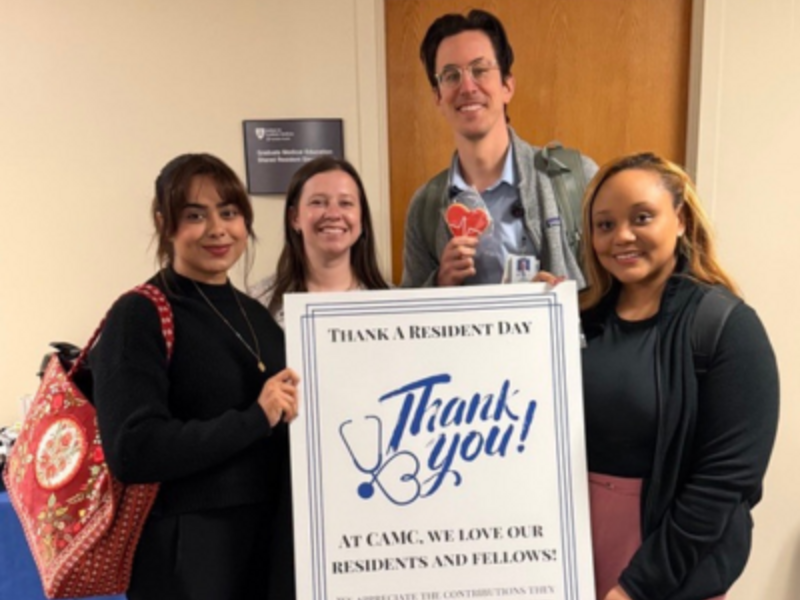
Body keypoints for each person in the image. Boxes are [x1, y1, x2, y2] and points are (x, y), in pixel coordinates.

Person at [91, 153, 299, 600]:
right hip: (187, 554)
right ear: (165, 224)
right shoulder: (140, 313)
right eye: (195, 216)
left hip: (269, 543)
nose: (217, 229)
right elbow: (133, 449)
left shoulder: (256, 315)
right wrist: (254, 418)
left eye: (229, 212)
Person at [578, 153, 779, 600]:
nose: (621, 237)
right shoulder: (579, 320)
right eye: (604, 225)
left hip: (668, 566)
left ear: (681, 220)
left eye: (642, 217)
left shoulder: (728, 328)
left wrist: (636, 588)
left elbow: (725, 482)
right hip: (575, 553)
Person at [401, 8, 598, 289]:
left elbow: (615, 296)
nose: (467, 87)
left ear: (507, 85)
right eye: (451, 75)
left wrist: (562, 300)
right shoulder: (425, 207)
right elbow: (410, 320)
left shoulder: (574, 179)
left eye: (480, 70)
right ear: (437, 96)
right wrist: (440, 282)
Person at [251, 156, 389, 325]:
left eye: (345, 203)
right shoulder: (258, 303)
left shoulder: (395, 304)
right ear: (294, 218)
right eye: (318, 202)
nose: (333, 214)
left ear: (361, 218)